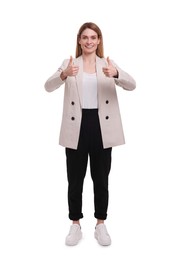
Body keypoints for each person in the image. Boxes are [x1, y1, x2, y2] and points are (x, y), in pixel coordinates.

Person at [44, 22, 136, 246]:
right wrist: (64, 75)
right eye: (85, 37)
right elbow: (48, 86)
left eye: (93, 37)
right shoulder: (68, 64)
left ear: (99, 40)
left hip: (101, 127)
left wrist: (116, 73)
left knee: (101, 178)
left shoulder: (108, 64)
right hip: (76, 126)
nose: (89, 41)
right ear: (79, 40)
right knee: (74, 179)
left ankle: (100, 224)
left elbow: (132, 85)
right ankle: (75, 224)